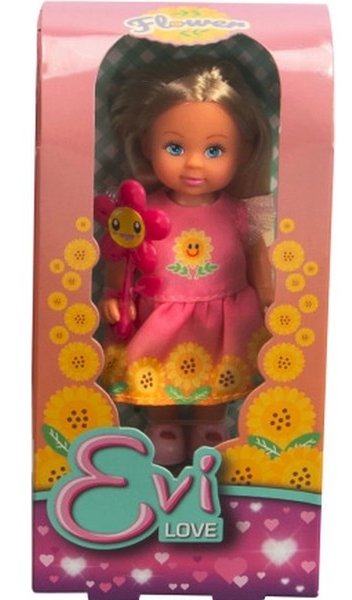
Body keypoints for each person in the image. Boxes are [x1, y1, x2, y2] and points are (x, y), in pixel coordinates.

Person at [98, 57, 275, 465]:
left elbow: (256, 255)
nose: (194, 163)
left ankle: (212, 424)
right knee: (158, 371)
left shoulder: (241, 212)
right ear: (147, 144)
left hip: (225, 316)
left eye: (214, 150)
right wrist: (112, 292)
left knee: (219, 375)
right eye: (175, 148)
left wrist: (268, 293)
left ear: (243, 151)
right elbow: (122, 252)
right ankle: (162, 425)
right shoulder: (139, 211)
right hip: (159, 316)